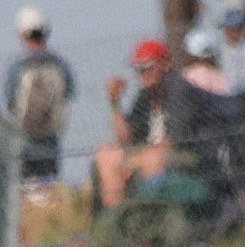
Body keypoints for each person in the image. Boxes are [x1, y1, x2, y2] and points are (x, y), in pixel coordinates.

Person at [93, 38, 216, 209]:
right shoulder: (145, 95)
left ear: (165, 64)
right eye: (138, 69)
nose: (142, 73)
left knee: (151, 157)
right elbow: (125, 138)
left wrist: (135, 160)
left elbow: (176, 140)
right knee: (106, 154)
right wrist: (114, 102)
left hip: (190, 156)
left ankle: (153, 215)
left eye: (147, 66)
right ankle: (116, 219)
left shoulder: (179, 89)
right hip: (152, 152)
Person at [3, 7, 76, 183]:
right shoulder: (60, 64)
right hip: (51, 134)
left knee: (25, 183)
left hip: (24, 134)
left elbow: (10, 100)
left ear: (22, 34)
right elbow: (70, 92)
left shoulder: (18, 67)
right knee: (49, 180)